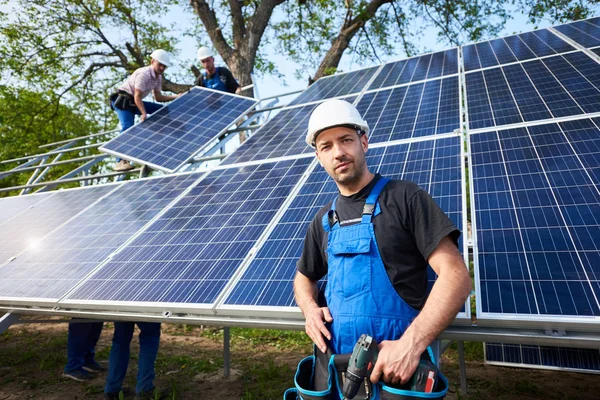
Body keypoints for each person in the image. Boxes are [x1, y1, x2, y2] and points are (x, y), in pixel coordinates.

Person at [293, 99, 471, 398]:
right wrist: (310, 310)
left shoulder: (405, 198)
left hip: (396, 375)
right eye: (326, 146)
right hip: (334, 378)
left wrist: (410, 346)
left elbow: (456, 276)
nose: (338, 152)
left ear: (364, 141)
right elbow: (303, 277)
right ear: (318, 157)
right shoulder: (323, 219)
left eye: (346, 140)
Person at [110, 49, 181, 172]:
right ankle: (120, 161)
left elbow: (158, 97)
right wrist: (143, 113)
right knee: (128, 126)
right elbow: (137, 96)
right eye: (160, 65)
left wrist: (175, 97)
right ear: (152, 61)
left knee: (162, 111)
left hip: (133, 102)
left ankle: (164, 138)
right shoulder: (144, 74)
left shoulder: (158, 78)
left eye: (164, 66)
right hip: (123, 101)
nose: (162, 68)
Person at [104, 321, 164, 400]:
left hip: (121, 309)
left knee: (120, 340)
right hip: (145, 310)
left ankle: (112, 388)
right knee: (149, 338)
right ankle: (144, 388)